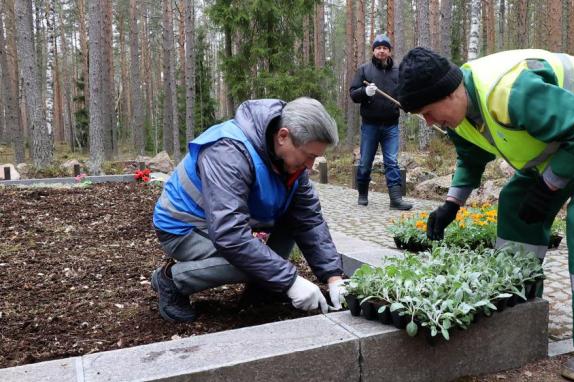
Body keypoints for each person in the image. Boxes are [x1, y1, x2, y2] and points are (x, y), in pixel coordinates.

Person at [396, 47, 574, 381]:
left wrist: (547, 188)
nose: (429, 123)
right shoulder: (459, 113)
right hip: (569, 138)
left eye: (429, 113)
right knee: (516, 201)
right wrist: (451, 205)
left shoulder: (509, 92)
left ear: (450, 91)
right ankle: (520, 298)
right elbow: (471, 156)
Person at [151, 97, 346, 323]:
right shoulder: (227, 152)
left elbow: (310, 220)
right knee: (250, 265)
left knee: (293, 223)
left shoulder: (290, 163)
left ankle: (262, 292)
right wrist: (290, 280)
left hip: (216, 224)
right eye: (309, 155)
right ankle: (171, 280)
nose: (311, 166)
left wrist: (334, 277)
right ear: (283, 136)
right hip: (182, 227)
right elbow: (230, 236)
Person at [349, 34, 412, 210]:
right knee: (365, 162)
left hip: (391, 125)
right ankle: (362, 195)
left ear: (390, 51)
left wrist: (407, 104)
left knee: (392, 162)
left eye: (385, 48)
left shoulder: (398, 71)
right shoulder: (364, 70)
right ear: (373, 50)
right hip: (370, 125)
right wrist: (364, 92)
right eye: (378, 48)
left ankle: (395, 199)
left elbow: (404, 94)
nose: (381, 51)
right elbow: (353, 94)